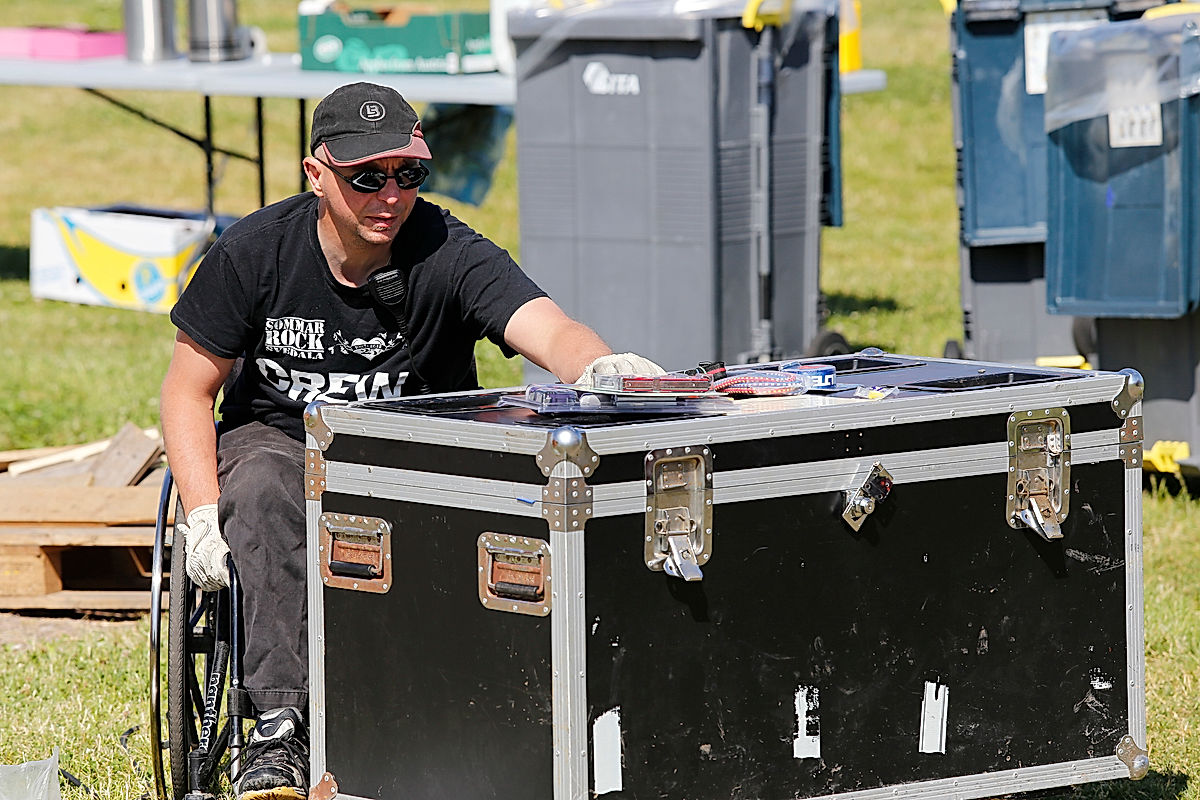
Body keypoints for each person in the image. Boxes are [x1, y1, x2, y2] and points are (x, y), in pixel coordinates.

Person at [159, 81, 662, 800]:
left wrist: (600, 365)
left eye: (407, 175)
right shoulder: (254, 253)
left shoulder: (447, 248)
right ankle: (279, 730)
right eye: (366, 177)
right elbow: (187, 390)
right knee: (267, 486)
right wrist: (203, 512)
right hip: (278, 439)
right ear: (316, 175)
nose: (389, 196)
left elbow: (546, 327)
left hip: (411, 457)